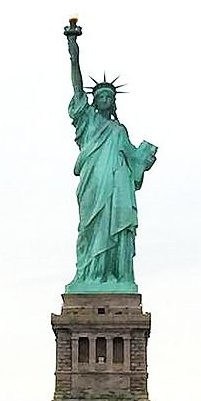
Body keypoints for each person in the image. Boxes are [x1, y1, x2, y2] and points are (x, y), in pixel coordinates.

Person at [64, 19, 157, 292]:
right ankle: (89, 275)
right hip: (94, 183)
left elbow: (134, 160)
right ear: (94, 101)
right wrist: (73, 47)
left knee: (115, 227)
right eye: (101, 95)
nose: (105, 99)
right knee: (91, 228)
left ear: (113, 102)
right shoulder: (88, 122)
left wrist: (144, 156)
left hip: (118, 187)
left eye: (109, 96)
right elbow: (77, 86)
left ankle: (114, 277)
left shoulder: (119, 130)